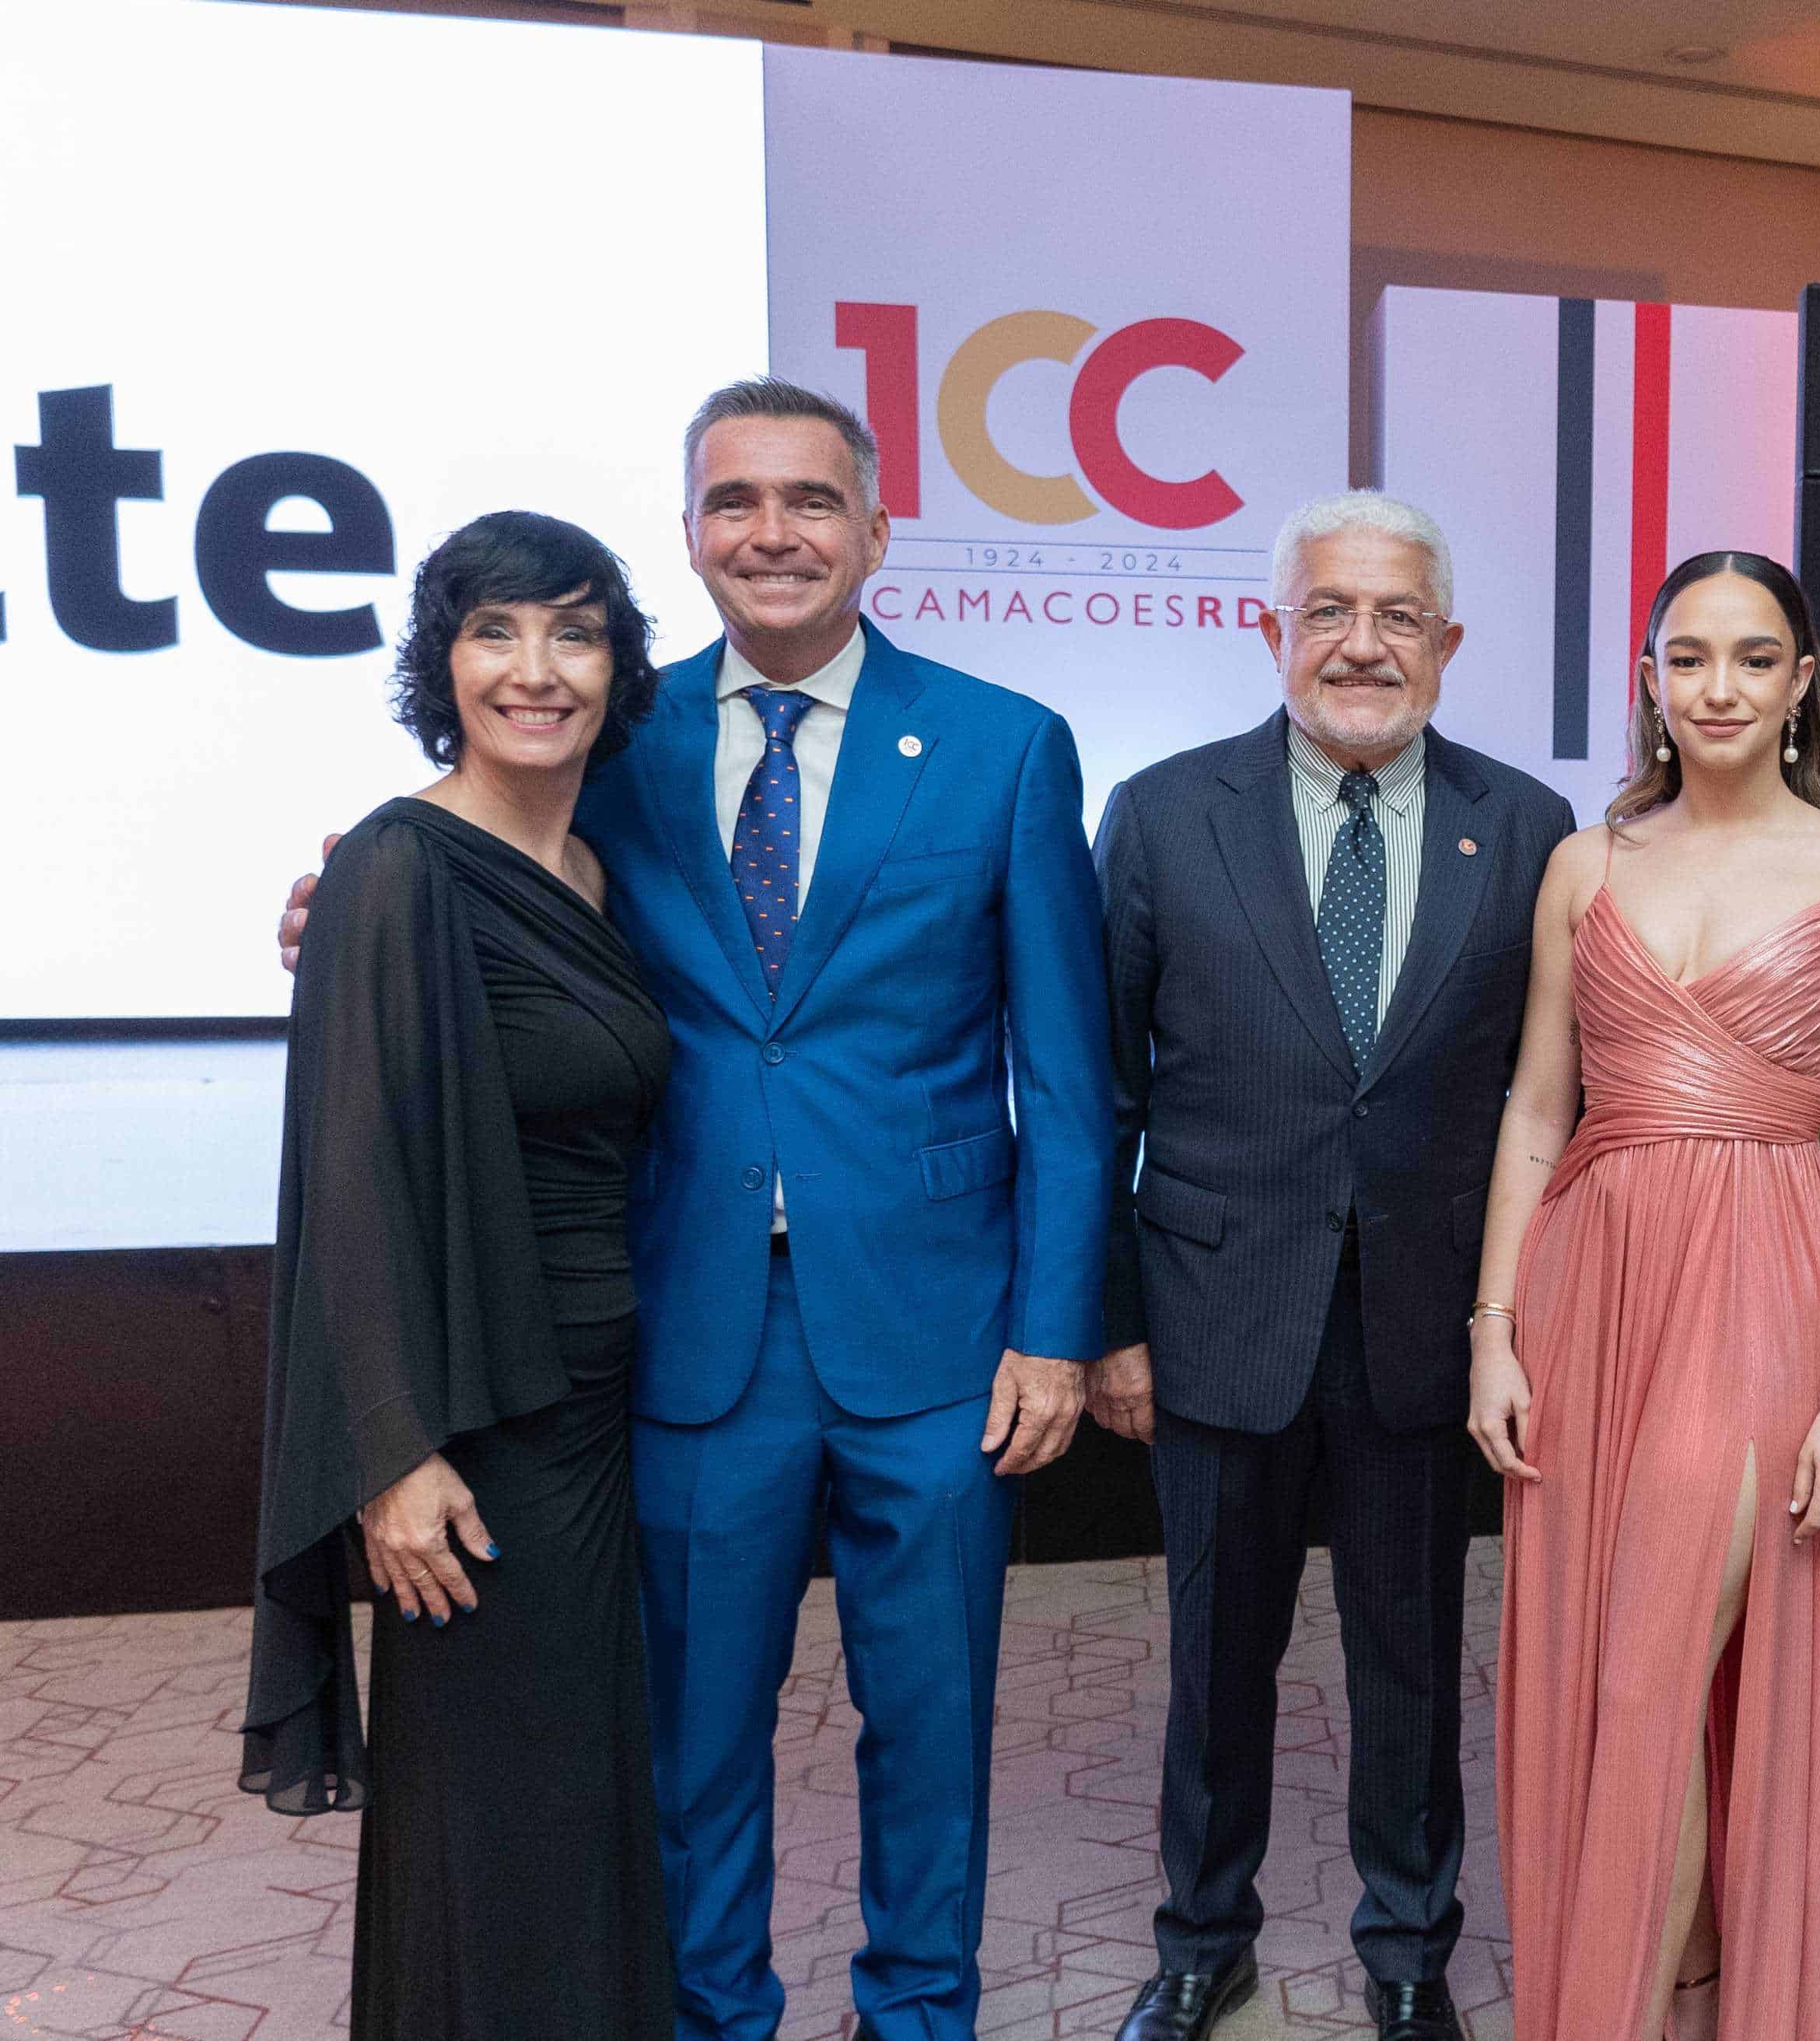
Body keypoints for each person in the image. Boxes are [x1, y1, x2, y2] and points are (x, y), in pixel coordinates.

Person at [276, 378, 1117, 2041]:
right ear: (690, 538)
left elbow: (1075, 1077)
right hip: (686, 1320)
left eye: (813, 500)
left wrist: (1058, 1327)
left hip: (943, 1327)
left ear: (878, 531)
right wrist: (340, 900)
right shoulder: (618, 738)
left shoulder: (1007, 744)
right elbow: (470, 870)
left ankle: (920, 2014)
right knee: (693, 1733)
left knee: (932, 1723)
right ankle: (711, 2014)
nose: (775, 532)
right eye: (737, 503)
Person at [1091, 492, 1576, 2041]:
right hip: (1219, 1310)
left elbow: (1543, 1099)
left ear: (1446, 644)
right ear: (1274, 630)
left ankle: (1410, 1945)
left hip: (1426, 1324)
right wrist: (1104, 1325)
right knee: (1216, 1663)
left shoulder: (1530, 829)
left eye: (1396, 617)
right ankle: (1199, 1935)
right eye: (1328, 611)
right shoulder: (1166, 815)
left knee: (1412, 1663)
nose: (1361, 644)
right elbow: (1099, 1087)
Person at [1472, 552, 1820, 2041]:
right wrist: (1494, 1329)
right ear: (1650, 681)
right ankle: (1661, 1988)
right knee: (1612, 1673)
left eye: (1753, 656)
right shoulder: (1586, 863)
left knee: (1649, 1672)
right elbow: (1537, 1108)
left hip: (1765, 1277)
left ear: (1804, 679)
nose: (1717, 686)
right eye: (1686, 657)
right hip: (1589, 1279)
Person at [246, 511, 676, 2038]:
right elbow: (349, 1180)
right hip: (475, 1434)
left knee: (572, 1797)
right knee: (493, 1810)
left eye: (574, 631)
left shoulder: (597, 870)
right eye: (496, 632)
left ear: (619, 667)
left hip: (596, 1404)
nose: (536, 670)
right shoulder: (394, 866)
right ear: (442, 664)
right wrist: (394, 1457)